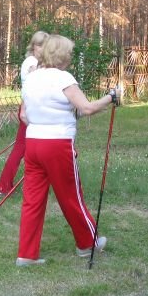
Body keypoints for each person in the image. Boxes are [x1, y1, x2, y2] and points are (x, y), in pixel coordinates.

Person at [16, 34, 122, 267]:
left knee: (32, 200)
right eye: (70, 53)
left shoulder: (31, 78)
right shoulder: (63, 78)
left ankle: (26, 254)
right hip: (57, 145)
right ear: (61, 55)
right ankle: (87, 244)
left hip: (33, 143)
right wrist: (111, 97)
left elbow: (23, 115)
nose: (71, 57)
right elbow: (87, 108)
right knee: (71, 196)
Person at [0, 31, 48, 196]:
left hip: (34, 108)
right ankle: (3, 186)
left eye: (45, 46)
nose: (42, 49)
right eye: (39, 45)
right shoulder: (31, 62)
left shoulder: (36, 61)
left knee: (27, 148)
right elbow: (35, 77)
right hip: (30, 110)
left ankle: (40, 182)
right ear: (33, 46)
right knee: (20, 149)